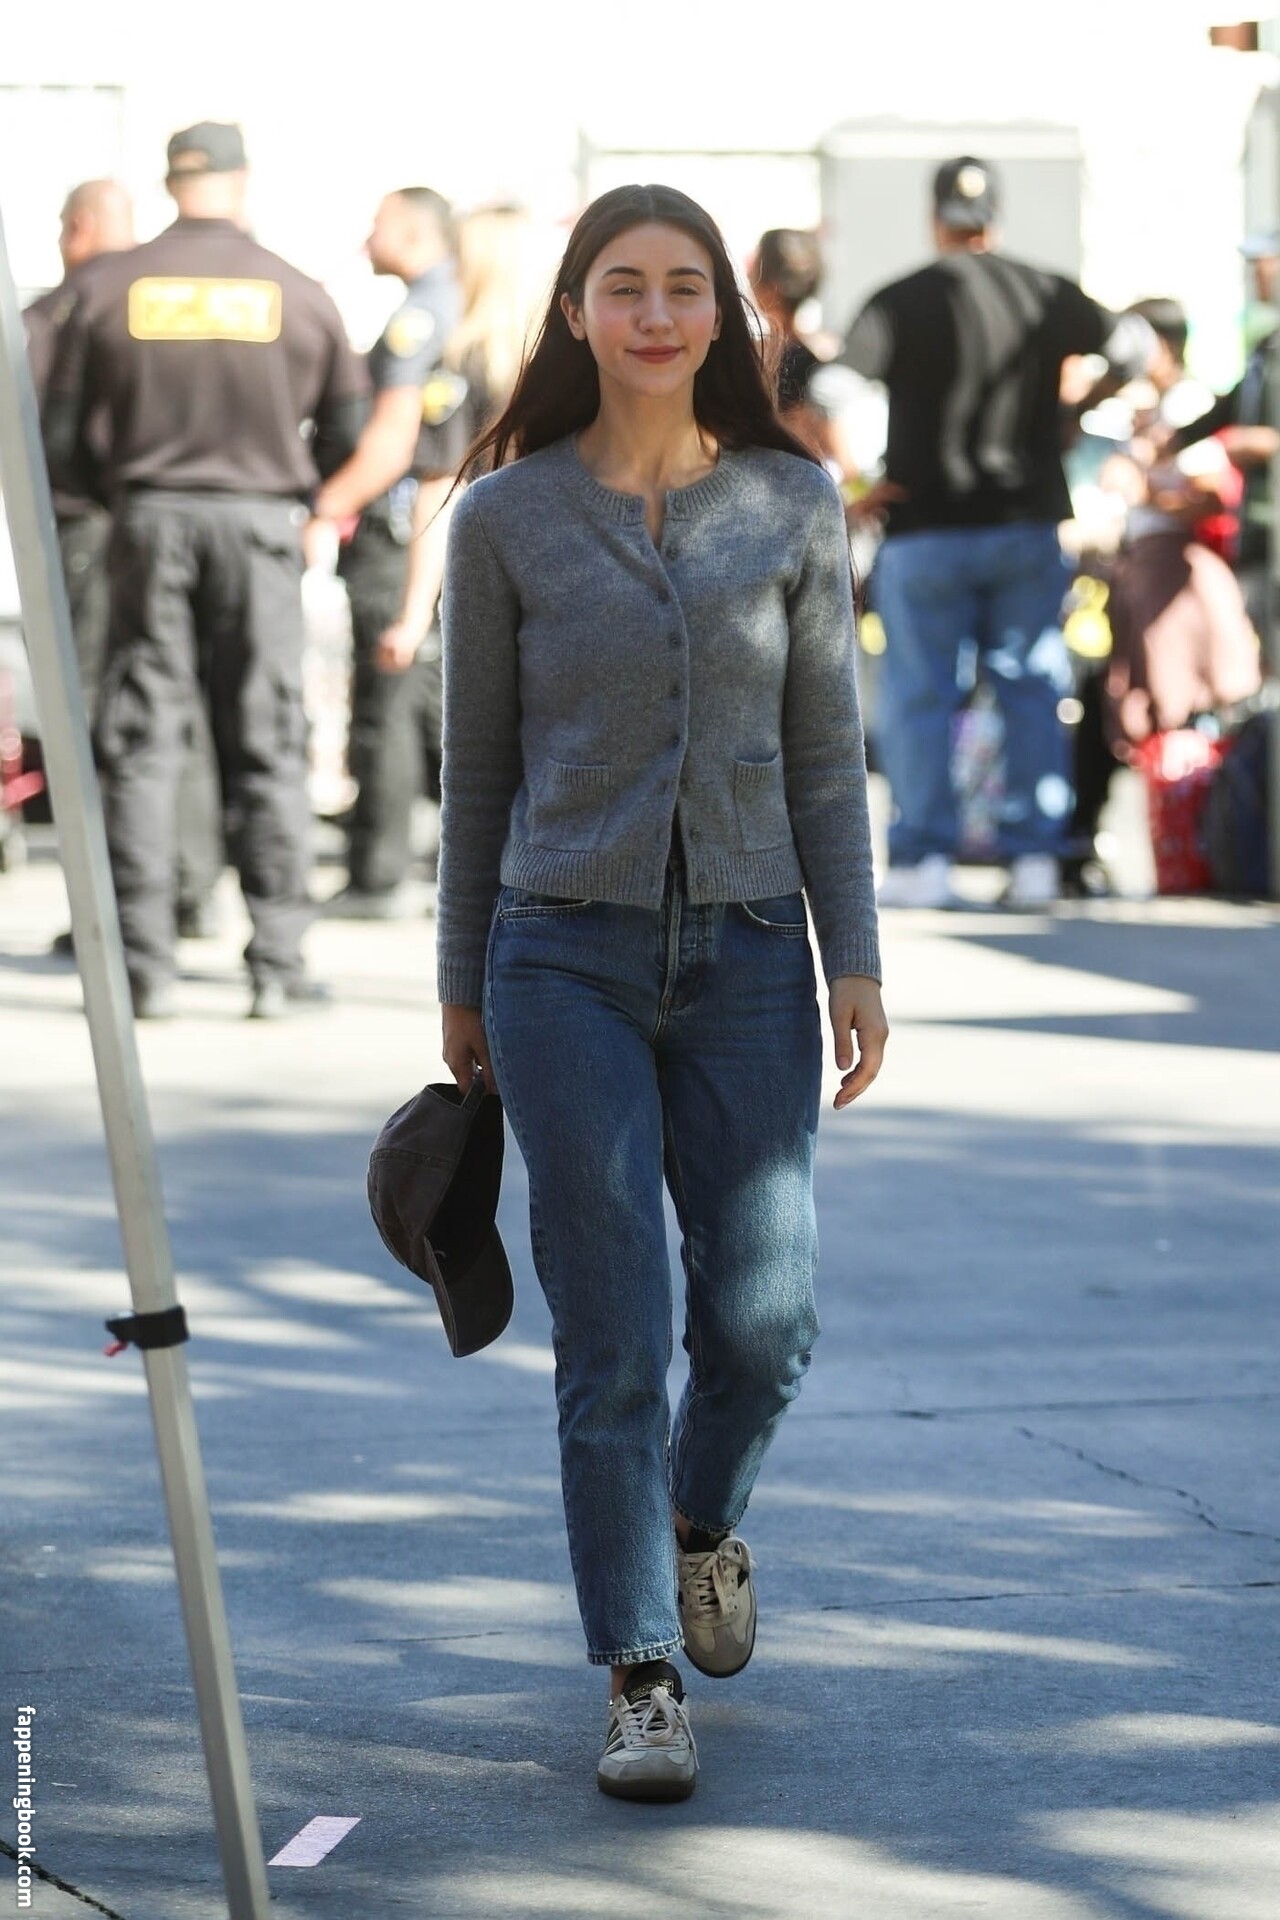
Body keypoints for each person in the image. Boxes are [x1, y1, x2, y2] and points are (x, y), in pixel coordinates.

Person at [436, 183, 888, 1802]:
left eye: (683, 286)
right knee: (614, 1330)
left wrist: (855, 957)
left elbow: (826, 753)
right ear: (574, 312)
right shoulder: (505, 518)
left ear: (723, 316)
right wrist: (461, 979)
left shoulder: (791, 501)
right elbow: (477, 771)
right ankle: (640, 1671)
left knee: (765, 1319)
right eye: (621, 286)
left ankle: (697, 1519)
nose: (653, 314)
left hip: (755, 949)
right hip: (561, 952)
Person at [43, 122, 369, 1018]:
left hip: (147, 520)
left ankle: (145, 969)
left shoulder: (107, 288)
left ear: (170, 183)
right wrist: (299, 494)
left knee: (144, 741)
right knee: (267, 737)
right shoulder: (298, 294)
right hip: (259, 526)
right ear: (241, 181)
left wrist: (121, 497)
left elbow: (59, 438)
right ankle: (278, 964)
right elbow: (348, 432)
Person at [843, 156, 1154, 908]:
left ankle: (925, 859)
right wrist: (1076, 411)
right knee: (1032, 688)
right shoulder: (1045, 291)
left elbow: (830, 381)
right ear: (995, 219)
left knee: (921, 694)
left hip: (924, 524)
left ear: (935, 219)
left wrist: (858, 481)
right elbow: (1137, 346)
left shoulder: (899, 298)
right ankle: (1034, 859)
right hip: (1025, 520)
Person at [25, 180, 226, 954]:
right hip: (182, 524)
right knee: (181, 706)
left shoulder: (69, 308)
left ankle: (113, 906)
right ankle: (190, 889)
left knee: (106, 717)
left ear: (76, 228)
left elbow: (45, 435)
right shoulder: (168, 298)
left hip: (94, 528)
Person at [312, 187, 469, 917]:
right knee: (427, 700)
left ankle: (376, 874)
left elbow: (394, 443)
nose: (366, 240)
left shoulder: (418, 316)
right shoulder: (453, 302)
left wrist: (326, 505)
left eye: (377, 226)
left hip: (399, 536)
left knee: (389, 701)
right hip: (431, 533)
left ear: (411, 232)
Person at [1160, 235, 1279, 638]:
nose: (1256, 275)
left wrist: (1270, 443)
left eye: (1264, 263)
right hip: (1260, 521)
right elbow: (1227, 408)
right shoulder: (1267, 345)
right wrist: (1170, 439)